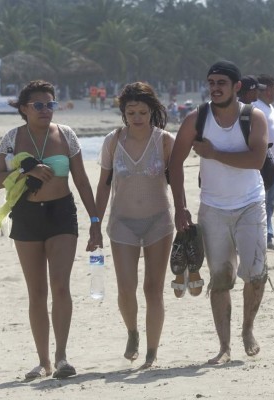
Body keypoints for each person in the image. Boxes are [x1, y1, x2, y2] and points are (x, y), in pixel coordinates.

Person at [0, 80, 102, 380]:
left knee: (60, 286)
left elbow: (82, 181)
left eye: (50, 104)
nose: (45, 110)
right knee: (37, 292)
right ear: (24, 109)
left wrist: (95, 222)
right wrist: (26, 169)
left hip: (62, 213)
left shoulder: (66, 135)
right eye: (38, 105)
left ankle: (62, 357)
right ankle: (43, 361)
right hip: (26, 215)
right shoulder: (12, 138)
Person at [169, 60, 269, 364]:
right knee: (221, 277)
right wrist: (180, 206)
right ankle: (224, 347)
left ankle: (248, 329)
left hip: (251, 205)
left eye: (221, 83)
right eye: (211, 82)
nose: (215, 88)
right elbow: (174, 163)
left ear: (236, 87)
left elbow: (256, 160)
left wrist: (214, 154)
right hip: (213, 209)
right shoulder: (196, 119)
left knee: (255, 274)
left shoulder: (254, 117)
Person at [94, 82, 176, 369]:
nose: (137, 117)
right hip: (122, 223)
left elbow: (176, 181)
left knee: (153, 289)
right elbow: (103, 186)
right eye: (131, 112)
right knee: (126, 288)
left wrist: (184, 212)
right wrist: (95, 222)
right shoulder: (113, 141)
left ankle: (152, 351)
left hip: (159, 222)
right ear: (124, 113)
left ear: (152, 111)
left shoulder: (165, 141)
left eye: (143, 111)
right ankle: (132, 332)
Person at [254, 74, 274, 251]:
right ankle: (263, 238)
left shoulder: (269, 108)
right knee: (262, 202)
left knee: (270, 203)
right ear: (267, 89)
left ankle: (268, 236)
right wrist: (272, 161)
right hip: (266, 165)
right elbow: (259, 139)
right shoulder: (257, 108)